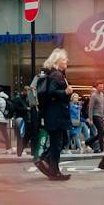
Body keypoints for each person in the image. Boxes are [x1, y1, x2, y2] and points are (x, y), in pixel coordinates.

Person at [35, 48, 72, 180]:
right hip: (56, 115)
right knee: (57, 143)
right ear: (57, 61)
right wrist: (66, 92)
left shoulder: (56, 74)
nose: (66, 61)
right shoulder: (56, 75)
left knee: (62, 141)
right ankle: (53, 170)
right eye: (63, 59)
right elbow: (52, 92)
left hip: (55, 114)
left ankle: (46, 162)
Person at [8, 85, 30, 156]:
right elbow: (15, 108)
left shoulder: (25, 99)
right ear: (24, 91)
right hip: (20, 119)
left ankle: (21, 150)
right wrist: (26, 109)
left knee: (24, 135)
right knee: (21, 135)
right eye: (28, 91)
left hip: (24, 119)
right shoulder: (18, 99)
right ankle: (20, 151)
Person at [88, 83, 104, 154]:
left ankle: (88, 141)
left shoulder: (102, 95)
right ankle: (102, 148)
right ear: (97, 87)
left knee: (101, 133)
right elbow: (90, 108)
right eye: (100, 87)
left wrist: (103, 117)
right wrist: (90, 119)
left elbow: (102, 107)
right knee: (102, 131)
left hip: (101, 116)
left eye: (102, 87)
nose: (102, 88)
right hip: (95, 115)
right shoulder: (93, 96)